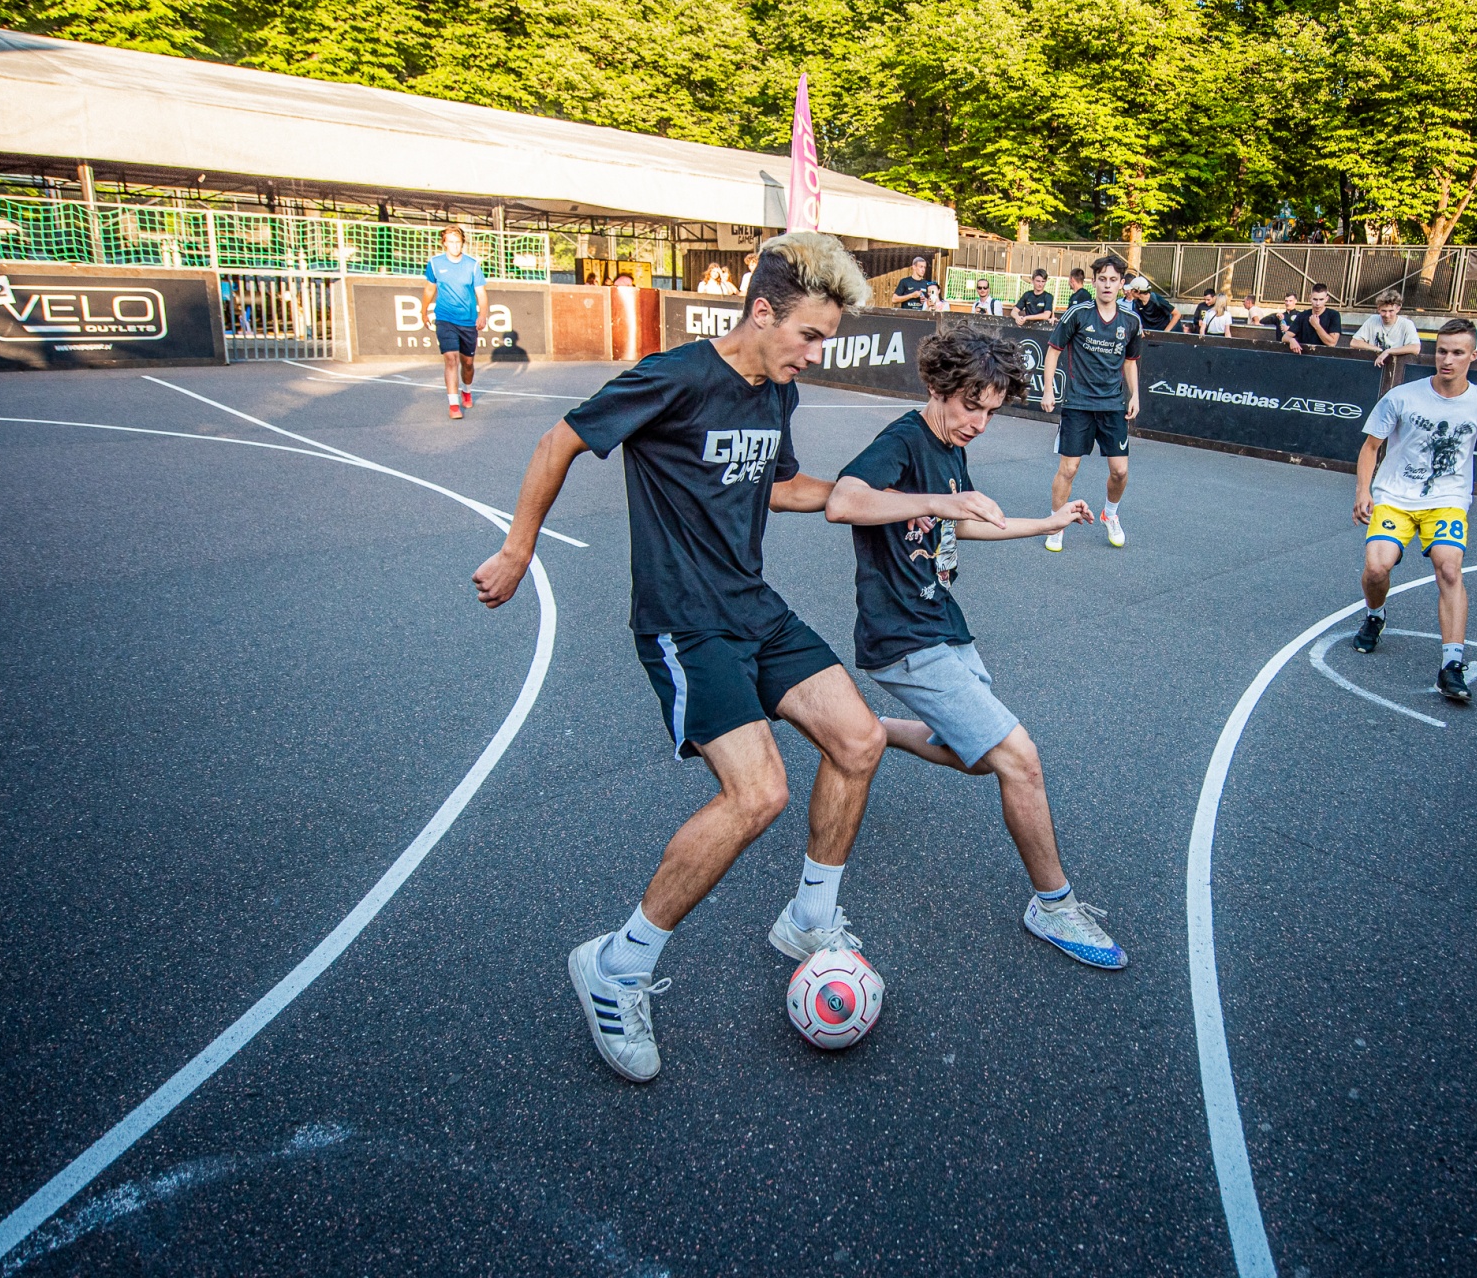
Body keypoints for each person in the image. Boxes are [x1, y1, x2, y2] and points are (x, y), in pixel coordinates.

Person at [471, 232, 886, 1085]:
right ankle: (616, 965)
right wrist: (518, 549)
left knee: (860, 738)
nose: (816, 354)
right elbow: (559, 442)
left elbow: (779, 486)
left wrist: (881, 500)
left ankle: (810, 919)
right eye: (809, 335)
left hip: (752, 605)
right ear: (763, 313)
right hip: (685, 622)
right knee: (758, 793)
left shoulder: (777, 390)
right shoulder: (676, 377)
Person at [823, 326, 1126, 969]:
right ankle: (1054, 905)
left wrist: (1047, 522)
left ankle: (867, 731)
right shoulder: (903, 441)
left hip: (943, 623)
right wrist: (940, 498)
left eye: (991, 411)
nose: (980, 424)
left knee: (977, 758)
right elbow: (843, 502)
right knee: (1020, 759)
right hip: (902, 635)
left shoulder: (950, 445)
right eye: (970, 406)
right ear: (937, 387)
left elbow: (957, 525)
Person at [1350, 318, 1477, 702]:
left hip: (1447, 500)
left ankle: (1452, 665)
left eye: (1457, 352)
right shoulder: (1402, 396)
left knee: (1449, 568)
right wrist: (1363, 490)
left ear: (1472, 356)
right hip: (1395, 496)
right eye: (1442, 351)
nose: (1448, 359)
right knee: (1376, 568)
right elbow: (1371, 447)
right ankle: (1375, 615)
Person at [1040, 253, 1142, 552]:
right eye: (1102, 279)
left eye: (1113, 280)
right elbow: (1054, 351)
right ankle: (1056, 524)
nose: (1107, 285)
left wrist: (1135, 395)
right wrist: (1048, 389)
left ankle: (1110, 514)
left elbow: (1131, 361)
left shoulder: (1131, 320)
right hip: (1078, 404)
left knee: (1120, 471)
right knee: (1069, 469)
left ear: (1121, 284)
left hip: (1113, 406)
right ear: (1094, 282)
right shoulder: (1078, 313)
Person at [423, 224, 486, 419]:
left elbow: (481, 293)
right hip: (445, 319)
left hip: (467, 320)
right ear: (444, 243)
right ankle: (453, 405)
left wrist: (482, 314)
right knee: (451, 359)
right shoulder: (435, 263)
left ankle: (466, 390)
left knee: (467, 364)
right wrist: (423, 311)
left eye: (457, 242)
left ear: (463, 243)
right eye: (450, 242)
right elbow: (429, 289)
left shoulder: (472, 265)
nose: (454, 246)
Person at [1349, 292, 1423, 369]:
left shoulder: (1407, 324)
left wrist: (1388, 351)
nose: (1387, 315)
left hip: (1397, 368)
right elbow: (1354, 342)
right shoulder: (1372, 320)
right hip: (1373, 366)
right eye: (1384, 311)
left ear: (1398, 309)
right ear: (1378, 309)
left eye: (1391, 311)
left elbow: (1415, 348)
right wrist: (1378, 349)